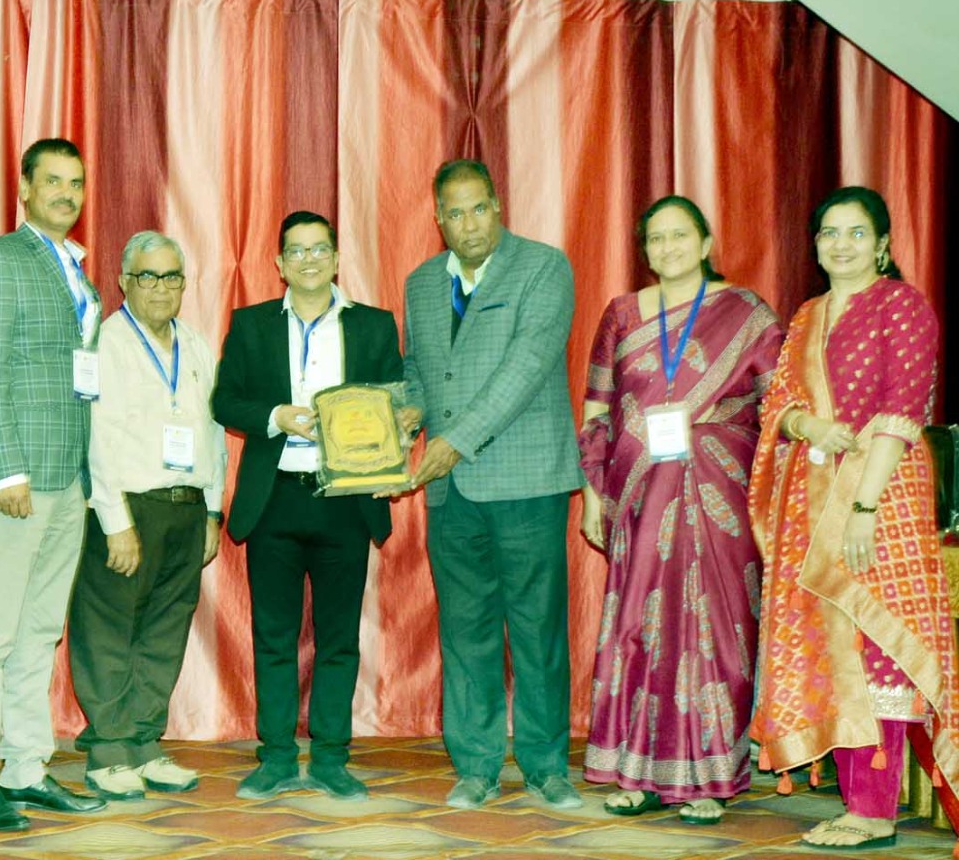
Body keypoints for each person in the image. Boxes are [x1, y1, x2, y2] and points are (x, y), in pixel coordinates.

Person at [750, 186, 958, 851]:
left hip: (883, 493)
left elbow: (902, 409)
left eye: (856, 233)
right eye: (829, 233)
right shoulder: (808, 315)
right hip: (810, 501)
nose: (841, 244)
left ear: (883, 244)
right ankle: (859, 802)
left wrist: (864, 507)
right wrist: (807, 424)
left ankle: (874, 811)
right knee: (831, 647)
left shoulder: (903, 306)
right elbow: (778, 402)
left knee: (881, 647)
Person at [577, 195, 781, 825]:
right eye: (656, 239)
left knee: (716, 627)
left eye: (680, 236)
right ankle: (638, 774)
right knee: (641, 626)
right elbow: (597, 406)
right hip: (639, 493)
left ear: (705, 242)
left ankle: (709, 779)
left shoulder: (745, 313)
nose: (667, 248)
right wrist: (592, 495)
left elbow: (779, 404)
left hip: (720, 492)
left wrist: (717, 426)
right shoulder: (622, 313)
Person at [393, 159, 583, 810]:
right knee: (465, 630)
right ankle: (475, 766)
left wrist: (451, 442)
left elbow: (525, 367)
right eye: (455, 212)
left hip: (526, 481)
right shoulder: (422, 282)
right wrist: (408, 413)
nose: (469, 223)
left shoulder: (543, 267)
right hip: (452, 495)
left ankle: (546, 766)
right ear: (438, 218)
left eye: (479, 208)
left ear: (498, 206)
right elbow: (419, 370)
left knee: (537, 629)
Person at [212, 210, 402, 802]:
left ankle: (330, 757)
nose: (309, 260)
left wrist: (397, 435)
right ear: (279, 263)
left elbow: (396, 403)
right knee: (274, 636)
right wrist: (275, 416)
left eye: (320, 249)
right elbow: (224, 401)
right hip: (274, 500)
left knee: (339, 638)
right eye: (296, 250)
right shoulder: (251, 324)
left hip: (344, 500)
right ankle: (274, 756)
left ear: (337, 258)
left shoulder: (374, 325)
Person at [0, 137, 106, 831]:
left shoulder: (77, 270)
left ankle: (25, 767)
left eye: (76, 183)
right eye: (53, 181)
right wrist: (5, 468)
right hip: (13, 479)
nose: (66, 194)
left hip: (66, 478)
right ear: (24, 187)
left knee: (40, 629)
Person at [68, 231, 224, 800]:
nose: (161, 288)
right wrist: (115, 521)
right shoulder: (104, 342)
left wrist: (212, 510)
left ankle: (142, 742)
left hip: (186, 509)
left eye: (172, 277)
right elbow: (94, 435)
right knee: (108, 630)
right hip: (128, 509)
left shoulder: (196, 344)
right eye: (148, 276)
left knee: (164, 630)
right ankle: (108, 749)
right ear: (124, 282)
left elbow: (213, 433)